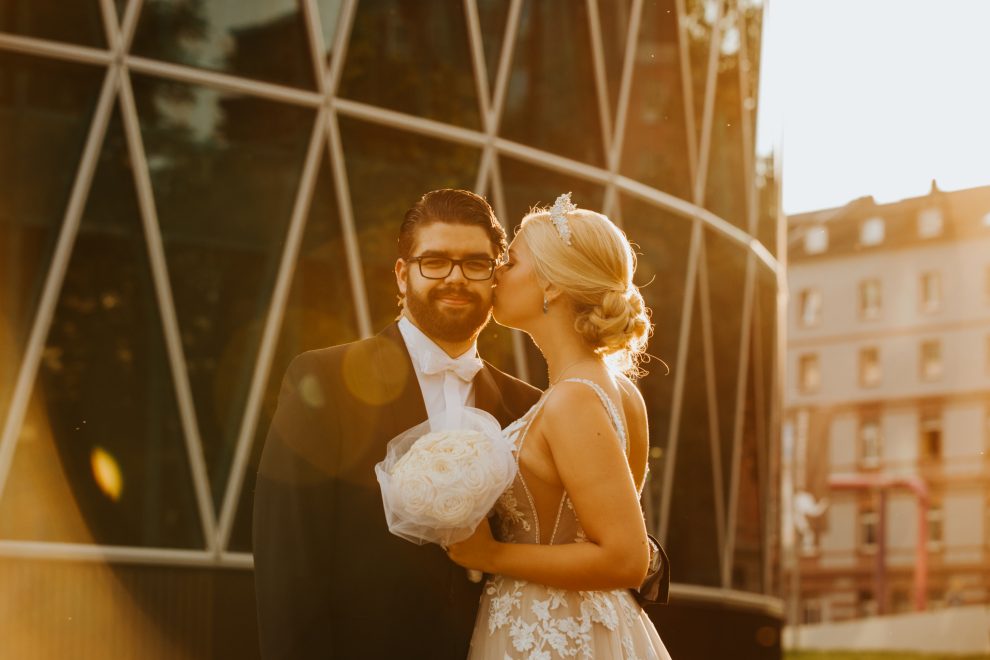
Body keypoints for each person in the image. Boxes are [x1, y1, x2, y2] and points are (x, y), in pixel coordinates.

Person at [252, 189, 542, 659]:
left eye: (475, 264)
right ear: (403, 275)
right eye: (435, 262)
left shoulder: (532, 407)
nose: (455, 278)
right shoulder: (323, 378)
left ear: (495, 277)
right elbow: (289, 558)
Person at [448, 194, 672, 658]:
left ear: (550, 286)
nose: (497, 273)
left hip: (550, 636)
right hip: (591, 627)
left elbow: (626, 557)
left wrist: (488, 555)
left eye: (510, 262)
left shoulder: (573, 400)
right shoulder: (619, 391)